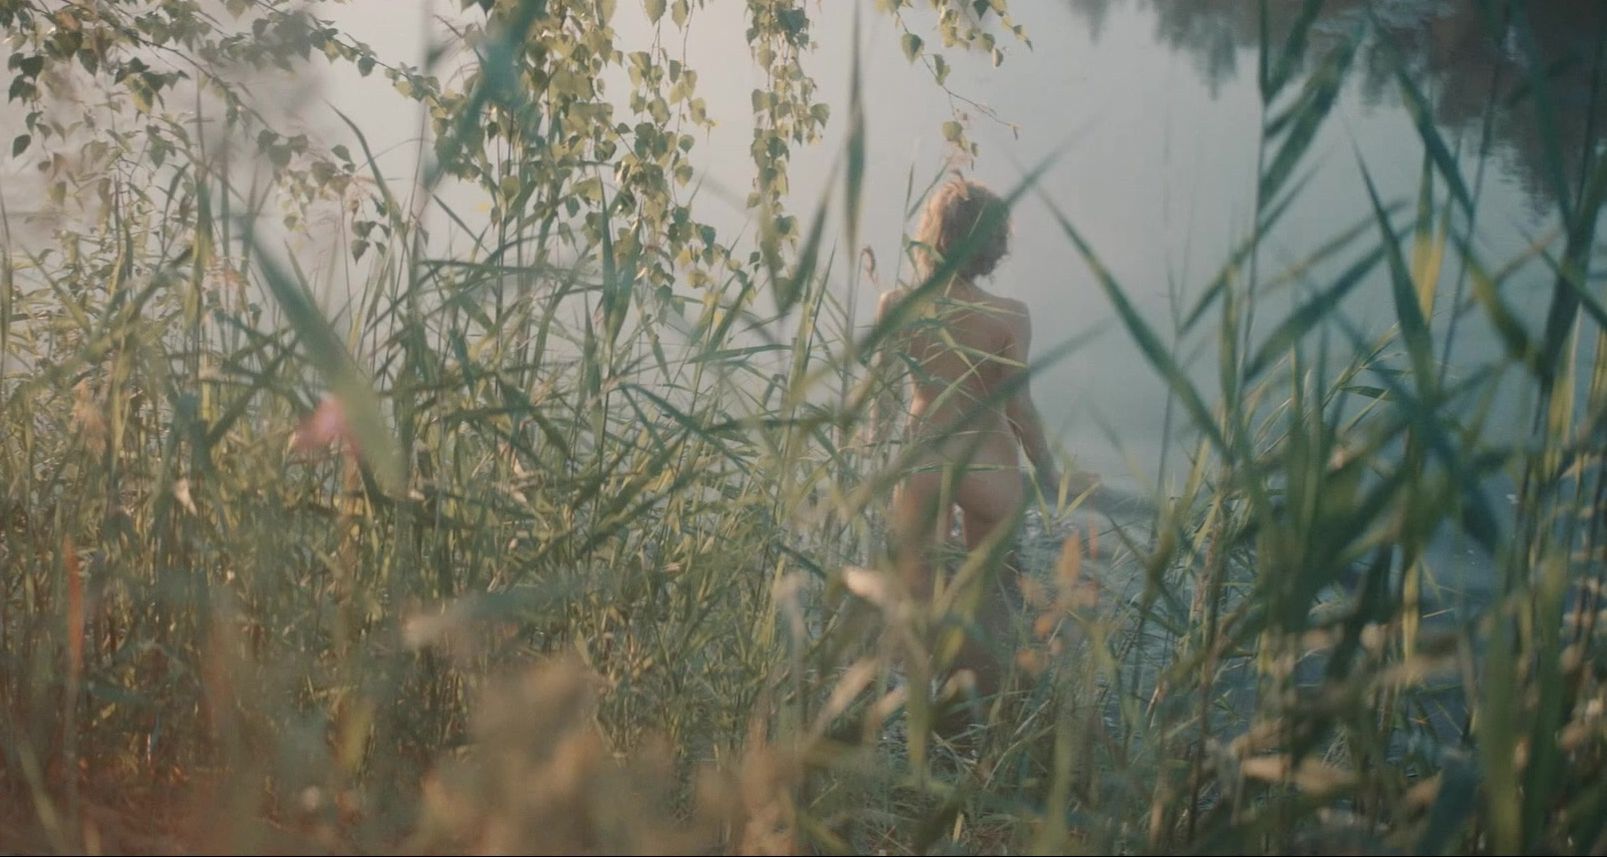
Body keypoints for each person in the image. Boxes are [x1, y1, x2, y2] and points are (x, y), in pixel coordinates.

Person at [873, 178, 1061, 706]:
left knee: (916, 600)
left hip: (924, 462)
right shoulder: (1010, 315)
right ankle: (988, 702)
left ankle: (919, 706)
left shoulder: (898, 304)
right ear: (992, 247)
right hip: (990, 468)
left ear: (932, 236)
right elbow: (1019, 409)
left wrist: (872, 458)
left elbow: (883, 400)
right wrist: (1048, 474)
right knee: (994, 598)